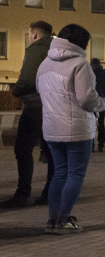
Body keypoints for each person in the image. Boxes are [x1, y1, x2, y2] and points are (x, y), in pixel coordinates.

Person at [36, 24, 105, 234]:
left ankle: (52, 219)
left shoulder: (44, 64)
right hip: (77, 128)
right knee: (75, 174)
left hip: (51, 127)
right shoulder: (79, 64)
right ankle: (62, 220)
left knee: (59, 174)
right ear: (81, 43)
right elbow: (86, 97)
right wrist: (103, 103)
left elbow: (41, 90)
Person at [1, 20, 54, 209]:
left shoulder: (35, 49)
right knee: (50, 152)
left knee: (23, 149)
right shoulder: (57, 49)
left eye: (29, 36)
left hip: (35, 105)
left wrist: (17, 91)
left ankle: (23, 193)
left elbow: (27, 79)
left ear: (35, 35)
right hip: (54, 107)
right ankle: (50, 193)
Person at [90, 58, 105, 152]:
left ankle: (91, 145)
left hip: (92, 100)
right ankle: (101, 145)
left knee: (91, 123)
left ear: (92, 65)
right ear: (100, 64)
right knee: (101, 123)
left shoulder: (90, 74)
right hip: (102, 100)